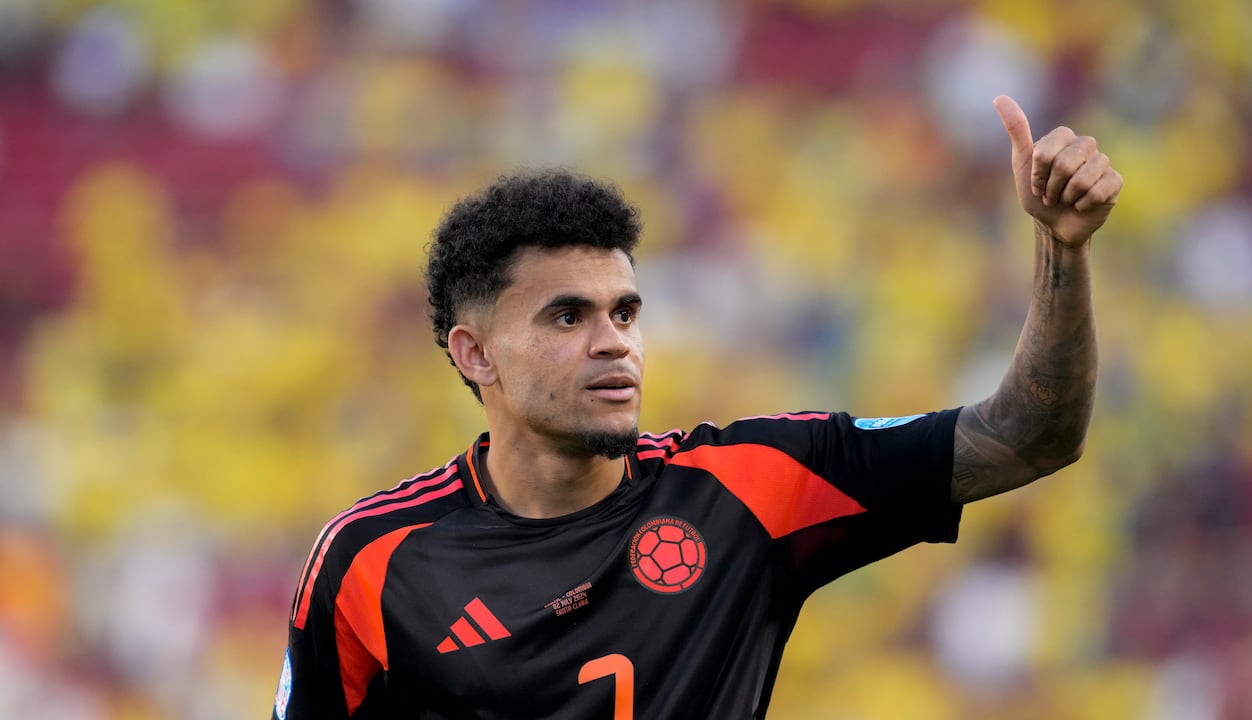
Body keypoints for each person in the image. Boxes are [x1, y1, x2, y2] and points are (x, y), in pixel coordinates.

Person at [271, 95, 1122, 719]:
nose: (614, 342)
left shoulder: (749, 486)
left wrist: (1061, 248)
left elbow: (1028, 436)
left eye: (626, 312)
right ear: (474, 353)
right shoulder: (369, 561)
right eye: (568, 315)